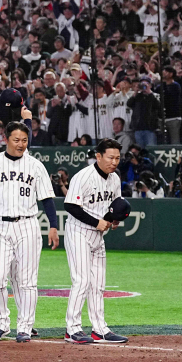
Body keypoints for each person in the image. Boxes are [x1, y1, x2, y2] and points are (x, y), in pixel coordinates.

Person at [0, 119, 59, 342]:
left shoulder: (35, 165)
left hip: (28, 225)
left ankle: (25, 327)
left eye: (24, 140)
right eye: (16, 139)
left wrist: (53, 225)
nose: (21, 144)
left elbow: (48, 199)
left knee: (27, 280)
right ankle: (1, 323)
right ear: (5, 139)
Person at [63, 138, 128, 344]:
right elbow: (70, 206)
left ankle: (99, 329)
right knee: (81, 281)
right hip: (79, 232)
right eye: (110, 157)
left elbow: (115, 204)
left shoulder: (115, 179)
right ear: (98, 156)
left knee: (98, 285)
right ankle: (72, 329)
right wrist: (95, 222)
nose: (114, 162)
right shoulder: (83, 177)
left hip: (98, 236)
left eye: (117, 158)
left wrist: (114, 219)